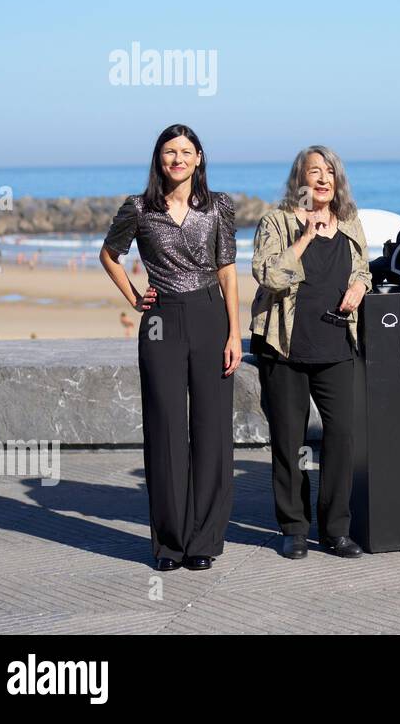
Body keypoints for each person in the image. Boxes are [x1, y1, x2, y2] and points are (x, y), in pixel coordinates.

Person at [99, 124, 241, 571]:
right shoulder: (138, 208)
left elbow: (228, 270)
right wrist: (134, 296)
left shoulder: (220, 207)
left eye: (185, 152)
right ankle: (169, 544)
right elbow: (108, 253)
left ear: (199, 157)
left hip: (209, 315)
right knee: (165, 430)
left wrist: (234, 332)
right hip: (161, 320)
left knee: (211, 430)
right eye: (168, 152)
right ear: (159, 160)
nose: (177, 159)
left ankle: (203, 541)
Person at [250, 146, 372, 560]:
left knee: (342, 438)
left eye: (329, 172)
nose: (322, 179)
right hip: (285, 348)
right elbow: (268, 275)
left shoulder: (351, 222)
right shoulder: (277, 221)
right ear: (299, 179)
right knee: (289, 441)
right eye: (313, 171)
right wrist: (305, 237)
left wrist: (360, 286)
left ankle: (336, 530)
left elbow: (363, 269)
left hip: (336, 346)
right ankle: (294, 528)